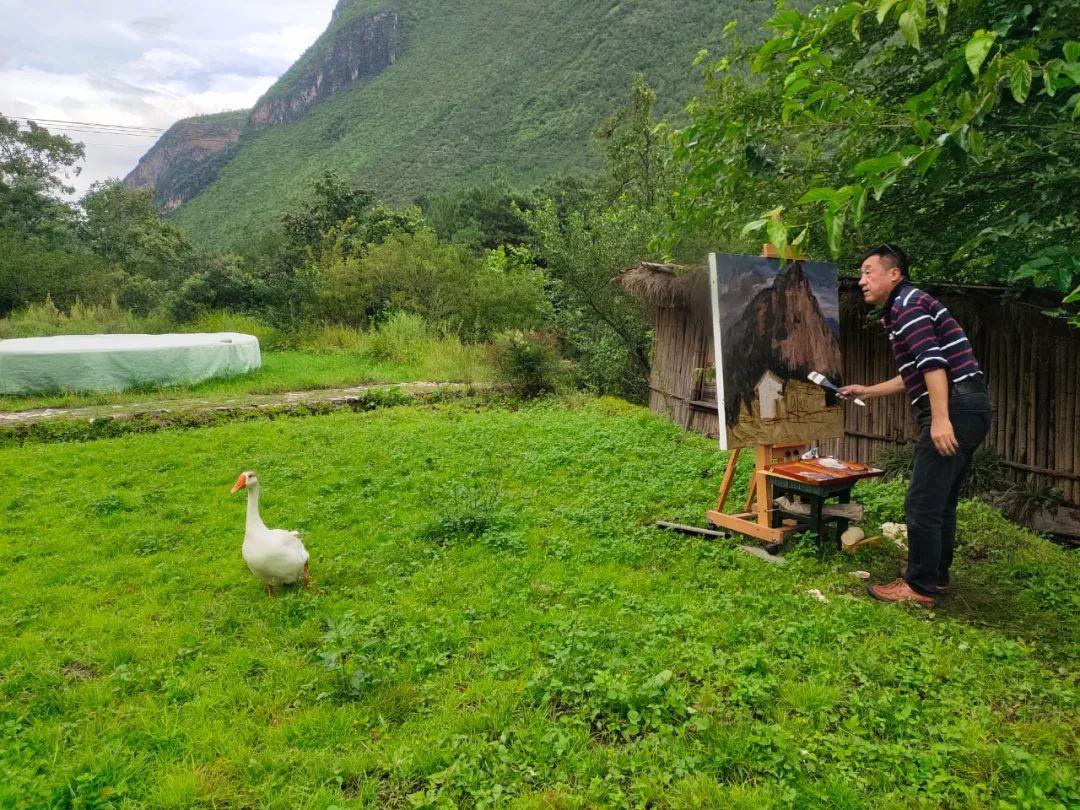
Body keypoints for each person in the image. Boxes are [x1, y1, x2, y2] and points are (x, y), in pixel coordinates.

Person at [841, 244, 991, 606]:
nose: (862, 281)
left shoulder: (907, 307)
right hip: (969, 405)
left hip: (953, 407)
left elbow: (934, 364)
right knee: (941, 502)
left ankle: (918, 587)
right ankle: (935, 577)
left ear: (894, 274)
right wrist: (868, 391)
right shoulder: (907, 307)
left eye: (868, 272)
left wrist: (940, 419)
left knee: (922, 503)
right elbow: (916, 373)